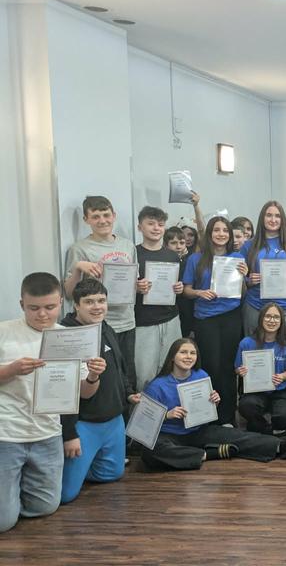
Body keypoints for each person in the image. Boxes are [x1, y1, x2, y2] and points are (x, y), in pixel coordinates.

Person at [0, 273, 104, 532]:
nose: (42, 314)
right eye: (34, 308)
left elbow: (86, 394)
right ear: (22, 304)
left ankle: (11, 497)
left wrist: (93, 376)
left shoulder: (70, 337)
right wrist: (11, 370)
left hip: (48, 433)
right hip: (7, 433)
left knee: (46, 506)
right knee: (3, 522)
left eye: (49, 307)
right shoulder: (4, 332)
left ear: (60, 303)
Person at [141, 338, 286, 471]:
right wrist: (167, 414)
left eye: (193, 353)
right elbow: (143, 423)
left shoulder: (201, 375)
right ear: (172, 357)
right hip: (170, 436)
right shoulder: (157, 385)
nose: (188, 356)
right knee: (150, 452)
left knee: (239, 435)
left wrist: (213, 402)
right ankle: (209, 454)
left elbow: (205, 412)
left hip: (198, 431)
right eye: (183, 352)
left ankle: (280, 446)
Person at [58, 279, 130, 504]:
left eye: (101, 300)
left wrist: (128, 393)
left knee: (113, 474)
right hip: (84, 423)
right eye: (89, 302)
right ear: (76, 305)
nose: (97, 306)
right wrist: (69, 433)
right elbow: (63, 393)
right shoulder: (66, 336)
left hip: (113, 420)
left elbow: (120, 368)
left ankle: (84, 467)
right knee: (66, 495)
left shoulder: (106, 328)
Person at [63, 195, 143, 390]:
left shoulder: (127, 245)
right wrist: (78, 268)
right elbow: (69, 293)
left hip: (126, 321)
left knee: (127, 375)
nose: (102, 221)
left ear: (113, 215)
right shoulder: (79, 249)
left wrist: (141, 287)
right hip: (97, 326)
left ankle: (127, 410)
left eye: (106, 215)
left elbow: (133, 282)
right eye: (96, 216)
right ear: (86, 220)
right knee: (104, 378)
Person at [182, 216, 248, 426]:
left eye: (225, 230)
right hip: (205, 318)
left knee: (228, 366)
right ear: (209, 233)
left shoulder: (237, 258)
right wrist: (199, 293)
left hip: (231, 316)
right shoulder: (196, 259)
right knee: (210, 365)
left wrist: (244, 276)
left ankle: (228, 417)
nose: (221, 234)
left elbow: (243, 292)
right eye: (217, 230)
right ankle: (209, 416)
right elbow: (186, 290)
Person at [240, 201, 286, 351]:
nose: (273, 219)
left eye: (277, 216)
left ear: (282, 219)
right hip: (256, 306)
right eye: (269, 215)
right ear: (262, 218)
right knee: (254, 353)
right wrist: (249, 280)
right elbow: (241, 279)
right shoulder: (249, 245)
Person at [133, 206, 185, 393]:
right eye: (151, 224)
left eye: (160, 224)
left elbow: (177, 286)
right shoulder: (133, 254)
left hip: (171, 319)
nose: (156, 228)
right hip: (144, 322)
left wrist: (179, 288)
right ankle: (144, 410)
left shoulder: (172, 256)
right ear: (140, 227)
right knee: (144, 374)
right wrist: (136, 287)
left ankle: (172, 409)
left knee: (173, 368)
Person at [235, 303, 286, 435]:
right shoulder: (246, 343)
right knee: (246, 406)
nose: (272, 320)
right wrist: (241, 371)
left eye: (276, 317)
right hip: (256, 392)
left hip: (281, 391)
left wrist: (282, 376)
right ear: (261, 319)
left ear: (281, 321)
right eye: (268, 316)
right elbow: (237, 368)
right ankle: (266, 427)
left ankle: (263, 426)